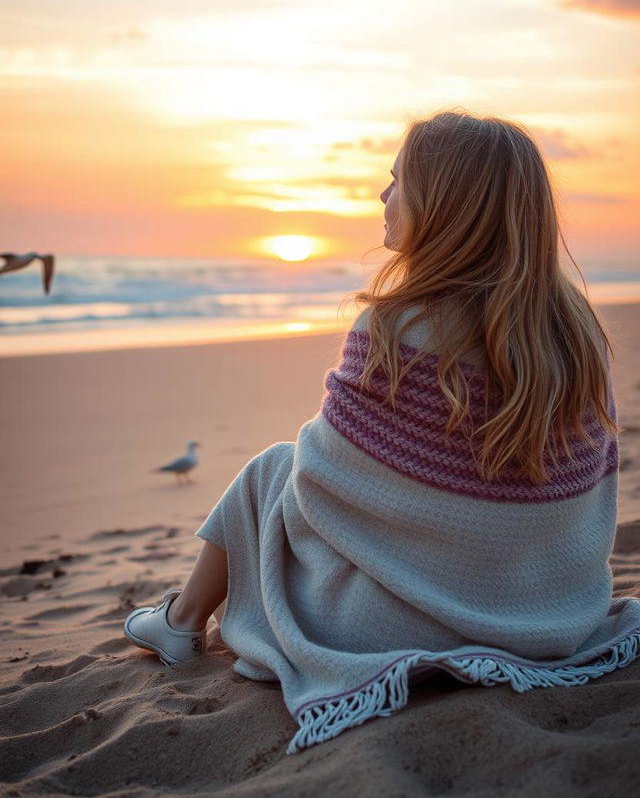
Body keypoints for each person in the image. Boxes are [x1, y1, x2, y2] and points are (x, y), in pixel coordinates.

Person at [124, 108, 640, 754]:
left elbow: (315, 487)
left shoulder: (395, 331)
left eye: (398, 180)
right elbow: (590, 496)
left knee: (271, 470)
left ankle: (180, 621)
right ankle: (178, 618)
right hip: (546, 615)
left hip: (393, 624)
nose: (382, 194)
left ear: (444, 206)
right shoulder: (578, 337)